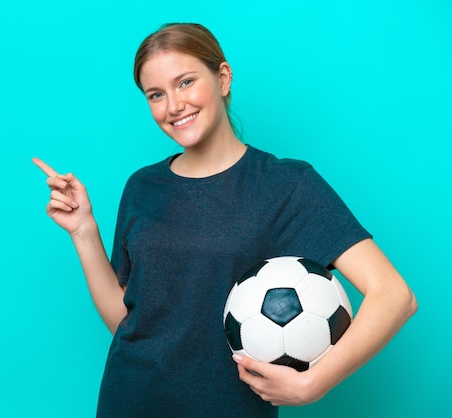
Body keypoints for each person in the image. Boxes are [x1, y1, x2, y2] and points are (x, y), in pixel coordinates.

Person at [33, 23, 417, 418]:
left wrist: (313, 383)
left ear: (223, 77)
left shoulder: (286, 184)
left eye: (185, 82)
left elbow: (394, 295)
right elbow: (128, 322)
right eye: (156, 95)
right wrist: (84, 231)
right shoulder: (142, 187)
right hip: (128, 401)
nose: (173, 106)